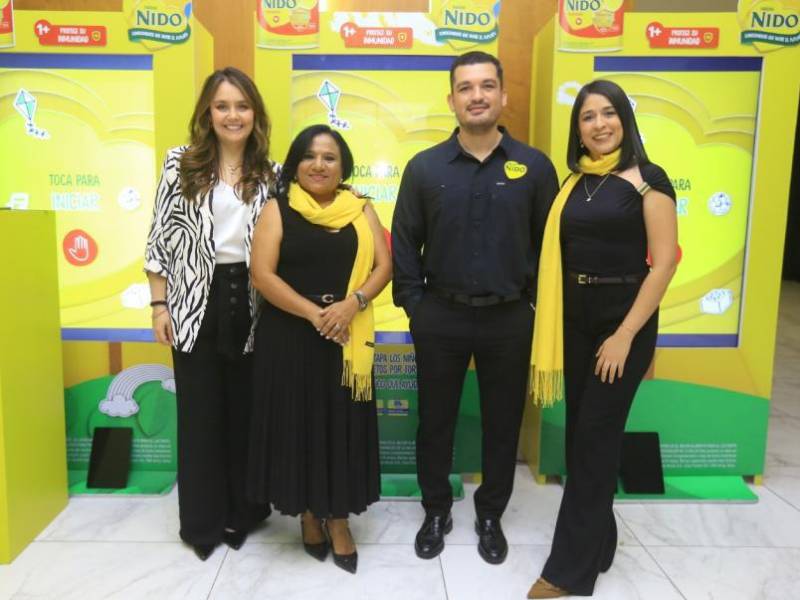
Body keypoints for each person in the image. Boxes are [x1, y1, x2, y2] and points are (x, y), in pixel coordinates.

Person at [391, 51, 559, 565]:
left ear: (504, 95)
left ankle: (490, 513)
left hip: (510, 317)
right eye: (466, 87)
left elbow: (549, 246)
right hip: (439, 314)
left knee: (502, 422)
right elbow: (403, 242)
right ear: (452, 99)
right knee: (435, 421)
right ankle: (436, 509)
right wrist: (416, 306)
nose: (477, 96)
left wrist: (533, 308)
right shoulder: (424, 168)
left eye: (487, 86)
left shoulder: (534, 167)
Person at [527, 79, 678, 598]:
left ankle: (568, 570)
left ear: (624, 120)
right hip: (575, 318)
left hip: (623, 320)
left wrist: (625, 335)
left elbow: (662, 266)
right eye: (588, 117)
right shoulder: (575, 182)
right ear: (579, 129)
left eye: (608, 114)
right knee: (582, 439)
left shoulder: (648, 180)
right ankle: (602, 540)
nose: (599, 125)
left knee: (593, 440)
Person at [248, 124, 392, 574]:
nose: (319, 165)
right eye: (309, 156)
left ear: (342, 165)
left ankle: (339, 518)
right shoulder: (278, 208)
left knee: (341, 426)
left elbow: (385, 265)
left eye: (329, 157)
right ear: (295, 163)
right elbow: (262, 275)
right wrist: (315, 314)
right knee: (299, 425)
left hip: (347, 336)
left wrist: (353, 305)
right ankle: (309, 513)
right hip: (291, 336)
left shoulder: (361, 209)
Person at [144, 67, 275, 561]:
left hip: (252, 299)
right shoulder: (180, 164)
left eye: (242, 106)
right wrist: (160, 304)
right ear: (207, 112)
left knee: (245, 411)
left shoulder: (271, 171)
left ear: (254, 114)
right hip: (194, 296)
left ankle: (243, 513)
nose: (233, 115)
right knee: (200, 414)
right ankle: (201, 523)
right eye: (223, 106)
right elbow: (160, 239)